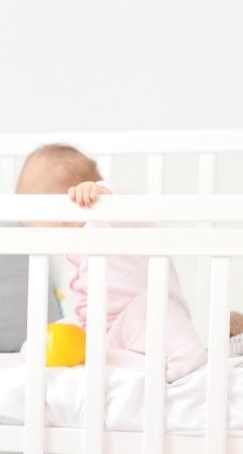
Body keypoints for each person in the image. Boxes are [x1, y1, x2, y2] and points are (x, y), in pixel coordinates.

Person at [16, 143, 206, 382]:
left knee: (150, 308)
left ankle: (186, 354)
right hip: (104, 328)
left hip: (140, 317)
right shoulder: (75, 246)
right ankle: (31, 355)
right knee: (59, 331)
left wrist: (102, 193)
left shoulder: (107, 212)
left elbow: (128, 203)